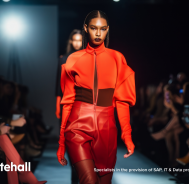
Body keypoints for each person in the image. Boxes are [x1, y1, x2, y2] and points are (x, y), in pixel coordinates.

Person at [56, 10, 136, 184]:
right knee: (88, 181)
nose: (98, 33)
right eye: (93, 28)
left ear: (108, 30)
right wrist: (62, 141)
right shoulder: (72, 60)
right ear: (86, 28)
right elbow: (68, 101)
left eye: (103, 29)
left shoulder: (117, 58)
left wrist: (127, 135)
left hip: (107, 127)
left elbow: (122, 101)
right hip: (77, 125)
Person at [55, 29, 82, 184]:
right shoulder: (63, 59)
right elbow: (58, 85)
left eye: (80, 40)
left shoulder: (90, 58)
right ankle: (75, 178)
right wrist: (57, 105)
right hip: (68, 106)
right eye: (75, 40)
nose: (77, 43)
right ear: (71, 41)